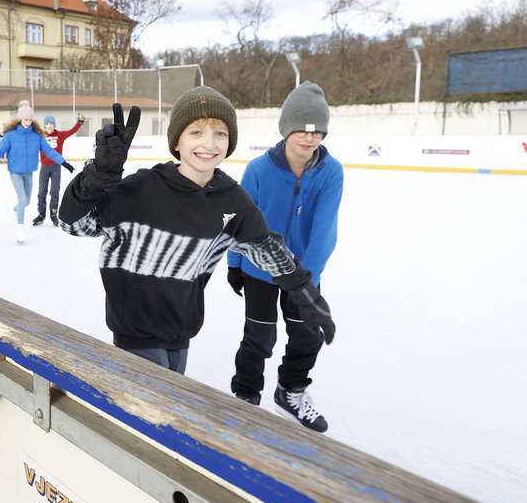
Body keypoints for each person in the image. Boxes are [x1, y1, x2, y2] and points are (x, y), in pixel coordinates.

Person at [58, 89, 335, 376]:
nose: (209, 143)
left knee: (166, 412)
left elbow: (264, 246)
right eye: (196, 132)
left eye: (220, 133)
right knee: (152, 412)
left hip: (181, 332)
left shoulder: (232, 200)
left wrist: (304, 290)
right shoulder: (142, 188)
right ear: (176, 141)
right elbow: (74, 224)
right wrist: (98, 177)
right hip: (135, 334)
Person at [227, 82, 343, 432]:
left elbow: (324, 231)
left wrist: (305, 282)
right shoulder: (259, 169)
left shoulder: (331, 172)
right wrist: (234, 265)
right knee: (259, 338)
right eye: (301, 130)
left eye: (316, 131)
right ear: (285, 129)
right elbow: (237, 222)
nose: (309, 139)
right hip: (258, 270)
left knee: (309, 336)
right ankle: (246, 395)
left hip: (304, 273)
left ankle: (290, 390)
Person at [0, 100, 73, 243]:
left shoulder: (37, 136)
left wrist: (63, 162)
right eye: (25, 119)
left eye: (30, 119)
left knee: (26, 202)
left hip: (29, 172)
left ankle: (14, 210)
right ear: (20, 119)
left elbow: (49, 151)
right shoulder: (10, 135)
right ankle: (20, 230)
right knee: (22, 199)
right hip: (15, 172)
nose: (27, 122)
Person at [33, 113, 83, 226]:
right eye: (47, 124)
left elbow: (71, 131)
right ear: (44, 126)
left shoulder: (60, 135)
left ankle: (53, 214)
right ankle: (41, 214)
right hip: (44, 167)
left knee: (54, 191)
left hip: (56, 167)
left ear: (54, 125)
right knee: (42, 192)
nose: (49, 126)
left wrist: (79, 123)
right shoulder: (40, 136)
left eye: (51, 123)